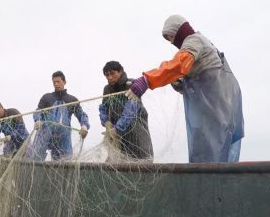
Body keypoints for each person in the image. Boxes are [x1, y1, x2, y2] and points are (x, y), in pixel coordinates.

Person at [127, 14, 244, 163]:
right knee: (214, 146)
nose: (171, 42)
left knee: (212, 146)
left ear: (178, 31)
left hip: (214, 110)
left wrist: (147, 79)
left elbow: (180, 64)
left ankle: (209, 181)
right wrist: (184, 83)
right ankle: (215, 179)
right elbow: (199, 70)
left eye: (170, 37)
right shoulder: (204, 42)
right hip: (219, 107)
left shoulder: (194, 41)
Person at [29, 71, 90, 161]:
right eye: (54, 82)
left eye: (58, 82)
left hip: (63, 136)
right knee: (37, 157)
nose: (56, 84)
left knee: (65, 161)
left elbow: (81, 115)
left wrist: (84, 126)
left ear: (64, 82)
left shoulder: (72, 99)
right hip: (46, 132)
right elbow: (38, 111)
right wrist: (37, 120)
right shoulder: (47, 97)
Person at [99, 61, 154, 160]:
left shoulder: (132, 85)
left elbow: (131, 109)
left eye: (112, 73)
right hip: (119, 141)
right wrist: (106, 122)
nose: (109, 77)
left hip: (137, 138)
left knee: (140, 164)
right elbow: (103, 108)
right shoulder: (107, 90)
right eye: (107, 75)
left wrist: (117, 129)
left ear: (121, 71)